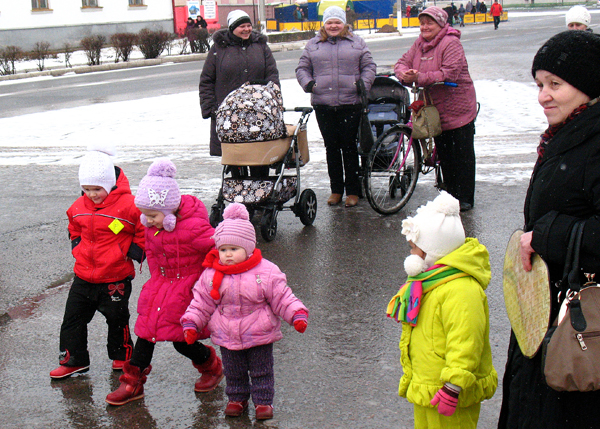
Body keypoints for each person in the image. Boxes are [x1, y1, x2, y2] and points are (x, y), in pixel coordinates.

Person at [498, 30, 600, 429]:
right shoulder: (566, 136)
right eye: (540, 84)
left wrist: (547, 236)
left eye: (555, 84)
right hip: (548, 312)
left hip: (580, 324)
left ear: (588, 85)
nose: (543, 95)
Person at [105, 159, 220, 406]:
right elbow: (136, 237)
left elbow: (219, 246)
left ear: (169, 210)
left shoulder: (193, 227)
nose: (149, 221)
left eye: (153, 215)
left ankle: (210, 365)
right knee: (146, 333)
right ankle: (132, 381)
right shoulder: (151, 225)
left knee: (181, 341)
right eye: (145, 216)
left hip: (186, 290)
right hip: (160, 286)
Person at [181, 203, 309, 421]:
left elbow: (282, 296)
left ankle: (263, 402)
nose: (228, 255)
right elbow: (201, 302)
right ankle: (237, 398)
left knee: (261, 371)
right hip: (227, 334)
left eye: (234, 249)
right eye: (223, 250)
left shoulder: (265, 271)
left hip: (259, 333)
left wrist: (296, 313)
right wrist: (192, 323)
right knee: (234, 371)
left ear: (248, 248)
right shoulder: (212, 274)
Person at [386, 191, 497, 429]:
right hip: (427, 385)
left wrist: (453, 386)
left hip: (449, 392)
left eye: (414, 248)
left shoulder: (460, 289)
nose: (411, 254)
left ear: (433, 251)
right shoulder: (430, 281)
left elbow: (466, 341)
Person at [50, 145, 145, 379]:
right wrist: (77, 246)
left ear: (110, 184)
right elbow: (73, 226)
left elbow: (143, 228)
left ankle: (122, 356)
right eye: (87, 189)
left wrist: (134, 251)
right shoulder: (78, 206)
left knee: (117, 318)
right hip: (83, 275)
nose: (92, 194)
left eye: (97, 189)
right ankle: (74, 358)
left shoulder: (129, 205)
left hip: (115, 277)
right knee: (72, 318)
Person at [394, 6, 478, 211]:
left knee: (462, 153)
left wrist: (419, 78)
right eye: (422, 23)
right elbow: (401, 63)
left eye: (429, 22)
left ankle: (464, 197)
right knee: (445, 152)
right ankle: (449, 195)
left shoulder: (451, 43)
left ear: (440, 24)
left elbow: (449, 73)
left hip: (457, 106)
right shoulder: (419, 44)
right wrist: (405, 74)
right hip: (434, 107)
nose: (424, 27)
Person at [296, 5, 376, 208]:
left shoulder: (357, 43)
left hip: (351, 102)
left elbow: (369, 67)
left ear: (344, 24)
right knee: (331, 148)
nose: (333, 26)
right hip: (323, 104)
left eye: (337, 22)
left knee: (349, 147)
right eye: (330, 22)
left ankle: (353, 191)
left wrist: (362, 85)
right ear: (324, 24)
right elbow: (302, 68)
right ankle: (336, 190)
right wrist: (310, 84)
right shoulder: (313, 44)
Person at [199, 10, 279, 158]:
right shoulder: (218, 49)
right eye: (242, 26)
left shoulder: (260, 46)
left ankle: (259, 180)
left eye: (249, 25)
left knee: (259, 158)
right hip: (228, 115)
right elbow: (207, 80)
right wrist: (210, 107)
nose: (247, 29)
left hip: (258, 112)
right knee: (234, 160)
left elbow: (272, 75)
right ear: (232, 27)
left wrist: (273, 101)